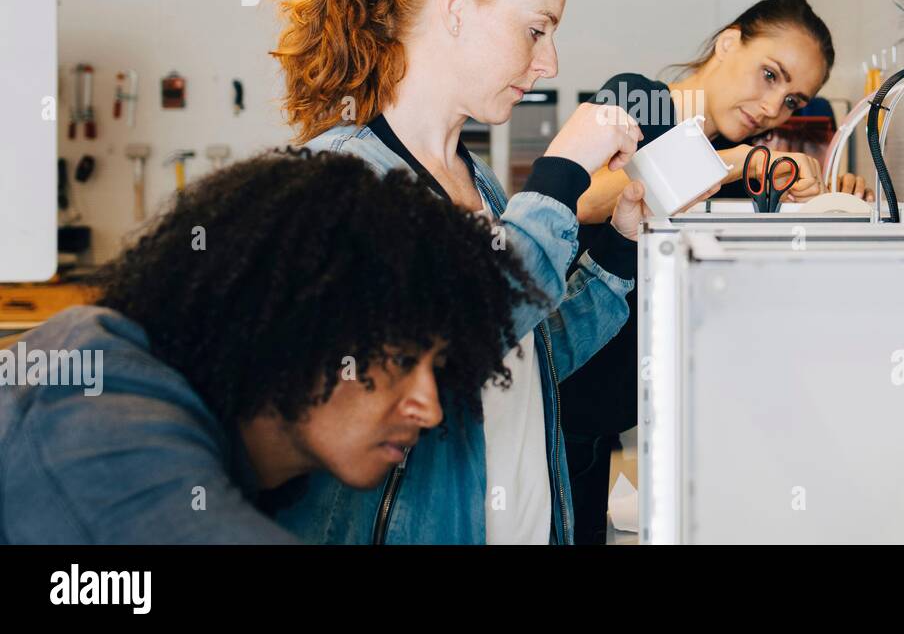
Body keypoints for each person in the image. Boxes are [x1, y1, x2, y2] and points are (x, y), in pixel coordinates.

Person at [271, 0, 647, 544]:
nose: (549, 62)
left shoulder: (479, 185)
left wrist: (618, 249)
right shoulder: (337, 180)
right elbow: (438, 351)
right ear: (454, 9)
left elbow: (527, 356)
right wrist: (559, 180)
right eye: (536, 29)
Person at [0, 150, 531, 544]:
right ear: (293, 322)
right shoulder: (95, 407)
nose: (430, 409)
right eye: (398, 360)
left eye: (436, 367)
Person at [563, 0, 860, 543]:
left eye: (793, 98)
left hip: (604, 418)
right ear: (728, 42)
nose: (774, 108)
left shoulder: (723, 155)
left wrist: (836, 198)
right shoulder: (640, 101)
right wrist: (731, 164)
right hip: (561, 408)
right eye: (769, 75)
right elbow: (582, 198)